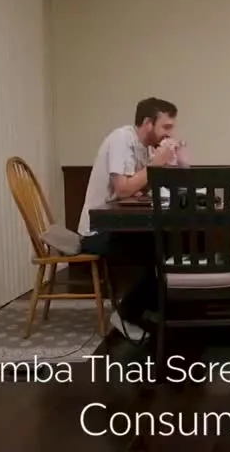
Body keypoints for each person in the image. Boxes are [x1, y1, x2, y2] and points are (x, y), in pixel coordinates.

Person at [77, 97, 189, 341]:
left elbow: (153, 188)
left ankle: (150, 309)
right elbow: (124, 189)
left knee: (170, 242)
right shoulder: (122, 139)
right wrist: (155, 165)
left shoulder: (147, 148)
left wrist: (179, 162)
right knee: (159, 248)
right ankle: (126, 313)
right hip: (98, 230)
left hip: (123, 226)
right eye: (166, 127)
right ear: (148, 123)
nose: (169, 133)